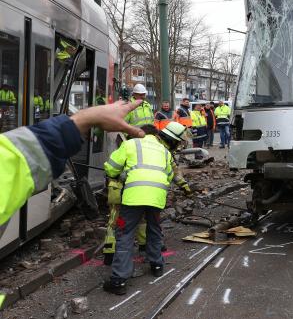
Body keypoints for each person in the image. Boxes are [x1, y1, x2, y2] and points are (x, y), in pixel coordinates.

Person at [0, 101, 144, 238]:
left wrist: (82, 120)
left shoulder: (127, 146)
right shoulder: (155, 148)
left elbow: (111, 169)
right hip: (149, 198)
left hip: (126, 196)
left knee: (119, 226)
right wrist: (84, 119)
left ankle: (112, 252)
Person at [102, 123, 192, 265]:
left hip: (127, 188)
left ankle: (124, 251)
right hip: (123, 189)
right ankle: (112, 253)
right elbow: (172, 173)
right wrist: (184, 186)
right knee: (119, 221)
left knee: (121, 221)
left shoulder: (140, 144)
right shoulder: (160, 148)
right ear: (172, 140)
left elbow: (112, 168)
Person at [103, 123, 176, 295]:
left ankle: (119, 280)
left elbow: (111, 166)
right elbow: (170, 174)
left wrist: (118, 175)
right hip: (157, 196)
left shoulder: (130, 144)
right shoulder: (163, 150)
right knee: (154, 229)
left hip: (134, 195)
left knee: (125, 233)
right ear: (155, 135)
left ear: (140, 133)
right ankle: (157, 265)